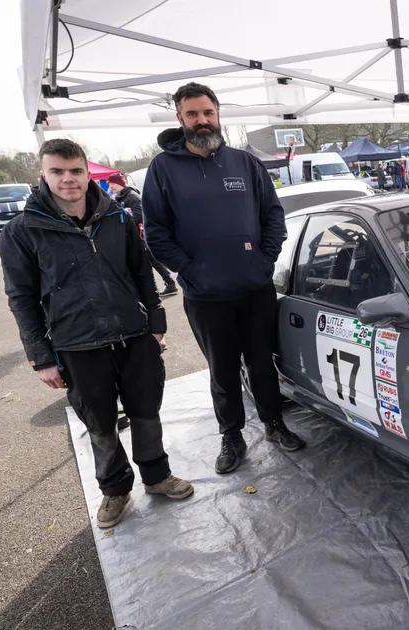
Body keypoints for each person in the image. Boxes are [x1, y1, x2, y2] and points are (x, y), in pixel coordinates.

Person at [0, 139, 192, 529]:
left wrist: (156, 325)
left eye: (75, 171)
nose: (67, 179)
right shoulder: (21, 231)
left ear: (88, 174)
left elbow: (141, 273)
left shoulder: (117, 218)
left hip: (133, 336)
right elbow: (21, 299)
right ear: (43, 175)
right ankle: (115, 489)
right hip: (77, 345)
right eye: (57, 171)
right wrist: (41, 358)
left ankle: (156, 476)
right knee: (100, 424)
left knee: (146, 412)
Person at [142, 82, 305, 475]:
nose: (202, 120)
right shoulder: (163, 168)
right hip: (206, 296)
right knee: (223, 370)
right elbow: (155, 232)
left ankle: (274, 422)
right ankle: (231, 435)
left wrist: (265, 260)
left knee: (262, 364)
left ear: (218, 115)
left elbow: (273, 215)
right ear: (180, 118)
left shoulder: (245, 163)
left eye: (208, 112)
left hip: (255, 289)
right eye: (192, 114)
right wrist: (190, 269)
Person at [107, 172, 178, 296]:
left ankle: (164, 285)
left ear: (121, 183)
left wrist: (125, 226)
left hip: (139, 234)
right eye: (109, 184)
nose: (111, 186)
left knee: (148, 260)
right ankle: (165, 284)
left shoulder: (132, 196)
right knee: (148, 261)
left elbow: (140, 215)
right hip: (131, 235)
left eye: (113, 183)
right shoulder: (119, 198)